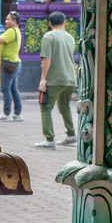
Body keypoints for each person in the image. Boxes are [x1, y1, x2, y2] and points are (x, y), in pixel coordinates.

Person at [37, 11, 78, 148]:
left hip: (55, 79)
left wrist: (43, 79)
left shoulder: (49, 36)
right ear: (65, 22)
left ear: (49, 24)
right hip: (70, 78)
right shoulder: (70, 37)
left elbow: (46, 58)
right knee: (64, 106)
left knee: (46, 107)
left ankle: (49, 139)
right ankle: (71, 134)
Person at [0, 10, 23, 121]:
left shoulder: (11, 31)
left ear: (14, 21)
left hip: (8, 65)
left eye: (8, 19)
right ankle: (18, 113)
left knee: (5, 89)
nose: (6, 21)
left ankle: (7, 113)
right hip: (14, 63)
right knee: (14, 89)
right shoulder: (16, 31)